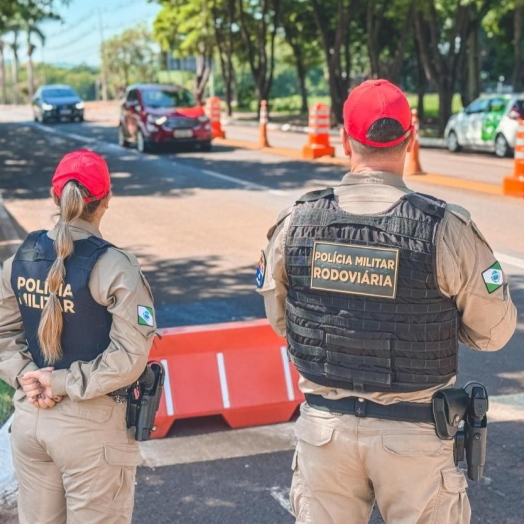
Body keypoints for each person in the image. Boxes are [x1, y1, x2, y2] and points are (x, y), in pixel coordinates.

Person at [257, 80, 517, 524]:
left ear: (344, 139)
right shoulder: (445, 228)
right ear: (409, 140)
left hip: (325, 435)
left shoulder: (296, 221)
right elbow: (494, 333)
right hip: (414, 440)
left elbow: (281, 320)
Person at [0, 149, 156, 524]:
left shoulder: (19, 259)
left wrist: (28, 378)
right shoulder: (114, 266)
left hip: (31, 419)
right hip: (91, 430)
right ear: (105, 200)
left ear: (56, 197)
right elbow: (129, 357)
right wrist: (61, 382)